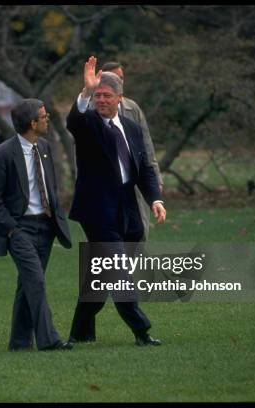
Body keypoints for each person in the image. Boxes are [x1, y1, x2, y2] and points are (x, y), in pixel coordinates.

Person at [67, 56, 167, 346]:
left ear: (119, 99)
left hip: (127, 207)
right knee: (118, 271)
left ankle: (80, 332)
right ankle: (141, 331)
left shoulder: (131, 128)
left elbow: (145, 169)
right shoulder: (89, 127)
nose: (101, 100)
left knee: (100, 274)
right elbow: (74, 121)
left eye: (106, 96)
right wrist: (85, 91)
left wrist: (155, 200)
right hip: (97, 211)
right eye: (97, 96)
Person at [0, 98, 73, 351]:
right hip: (19, 229)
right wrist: (11, 229)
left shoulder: (43, 147)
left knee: (27, 285)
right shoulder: (2, 155)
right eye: (43, 117)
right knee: (36, 281)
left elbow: (50, 187)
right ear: (32, 123)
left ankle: (19, 343)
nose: (47, 120)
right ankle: (49, 340)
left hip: (45, 227)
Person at [99, 61, 163, 240]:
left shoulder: (131, 108)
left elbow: (146, 147)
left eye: (121, 78)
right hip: (106, 191)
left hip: (133, 184)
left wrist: (154, 180)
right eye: (113, 78)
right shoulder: (93, 111)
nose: (119, 81)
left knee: (139, 230)